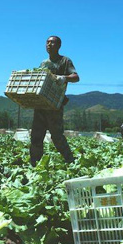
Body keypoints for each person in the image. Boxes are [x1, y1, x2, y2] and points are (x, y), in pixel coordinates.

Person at [30, 36, 80, 167]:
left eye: (52, 42)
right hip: (41, 105)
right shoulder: (43, 63)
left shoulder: (65, 61)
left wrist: (63, 78)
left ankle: (70, 162)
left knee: (57, 136)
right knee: (36, 136)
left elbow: (76, 77)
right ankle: (35, 165)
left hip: (54, 105)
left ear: (59, 46)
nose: (49, 44)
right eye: (47, 42)